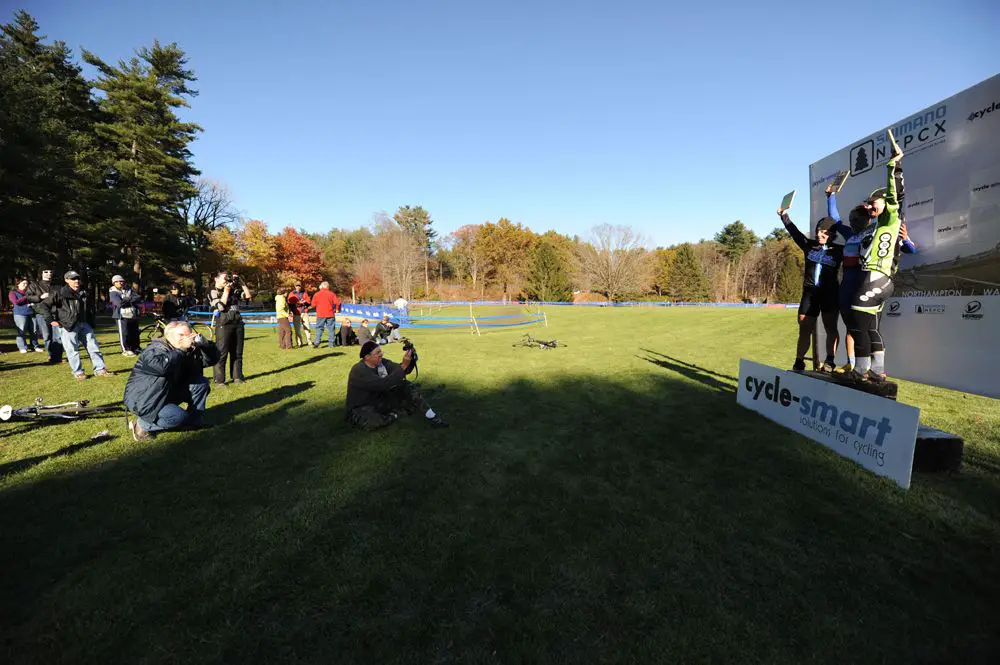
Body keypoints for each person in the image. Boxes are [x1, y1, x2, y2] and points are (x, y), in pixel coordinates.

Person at [846, 150, 906, 384]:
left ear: (884, 203)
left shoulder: (890, 216)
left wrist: (894, 166)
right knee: (870, 326)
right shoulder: (878, 224)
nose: (870, 208)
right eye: (868, 205)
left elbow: (895, 195)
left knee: (858, 321)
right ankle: (877, 371)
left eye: (873, 204)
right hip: (877, 278)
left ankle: (860, 371)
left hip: (878, 278)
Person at [777, 186, 851, 372]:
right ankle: (799, 360)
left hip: (829, 294)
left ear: (832, 234)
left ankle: (830, 360)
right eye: (818, 231)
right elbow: (794, 233)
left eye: (824, 233)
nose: (819, 234)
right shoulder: (809, 245)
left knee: (830, 328)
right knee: (804, 328)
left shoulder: (840, 250)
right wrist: (784, 216)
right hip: (809, 294)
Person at [124, 320, 221, 441]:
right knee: (177, 417)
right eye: (181, 335)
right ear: (169, 337)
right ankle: (141, 425)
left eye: (189, 333)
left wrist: (206, 345)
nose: (188, 338)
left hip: (166, 391)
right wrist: (180, 350)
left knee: (201, 383)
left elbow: (212, 360)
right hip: (145, 398)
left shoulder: (189, 350)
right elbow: (161, 368)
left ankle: (193, 422)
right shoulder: (155, 350)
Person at [346, 340, 448, 429]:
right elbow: (382, 384)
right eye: (378, 352)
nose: (381, 354)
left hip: (380, 400)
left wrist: (411, 360)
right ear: (367, 357)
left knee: (406, 385)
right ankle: (396, 414)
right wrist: (403, 366)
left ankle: (432, 417)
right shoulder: (359, 370)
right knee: (373, 422)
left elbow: (399, 370)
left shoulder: (382, 363)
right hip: (363, 406)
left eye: (381, 351)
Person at [38, 270, 110, 380]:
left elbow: (90, 307)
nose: (76, 280)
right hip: (68, 325)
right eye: (73, 279)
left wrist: (91, 318)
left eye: (77, 278)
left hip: (85, 324)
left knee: (93, 347)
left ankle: (100, 370)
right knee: (72, 350)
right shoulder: (60, 293)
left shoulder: (84, 292)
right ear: (66, 280)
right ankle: (78, 372)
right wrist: (50, 320)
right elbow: (43, 306)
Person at [209, 270, 252, 385]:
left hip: (237, 322)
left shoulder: (233, 290)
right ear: (216, 279)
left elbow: (247, 296)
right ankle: (219, 380)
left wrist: (242, 283)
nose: (227, 281)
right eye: (224, 278)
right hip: (224, 322)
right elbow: (221, 307)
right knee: (222, 352)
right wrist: (226, 291)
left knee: (237, 352)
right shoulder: (213, 291)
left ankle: (237, 377)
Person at [25, 268, 62, 362]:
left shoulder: (57, 285)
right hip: (41, 314)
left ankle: (57, 357)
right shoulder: (34, 285)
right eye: (46, 272)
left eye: (50, 272)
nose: (48, 274)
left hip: (56, 313)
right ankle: (51, 354)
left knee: (57, 336)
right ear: (41, 273)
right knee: (47, 335)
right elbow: (28, 297)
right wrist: (39, 297)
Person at [109, 275, 142, 356]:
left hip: (132, 315)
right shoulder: (113, 292)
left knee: (134, 333)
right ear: (114, 283)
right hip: (121, 316)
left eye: (121, 281)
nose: (120, 283)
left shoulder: (129, 290)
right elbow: (119, 303)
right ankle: (125, 349)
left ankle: (136, 348)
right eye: (117, 281)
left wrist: (128, 299)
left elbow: (138, 297)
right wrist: (130, 299)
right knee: (124, 333)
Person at [9, 278, 43, 353]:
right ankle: (22, 347)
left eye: (27, 283)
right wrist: (26, 297)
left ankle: (35, 346)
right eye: (23, 283)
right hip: (20, 314)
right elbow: (16, 302)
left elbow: (36, 300)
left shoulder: (29, 292)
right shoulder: (13, 293)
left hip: (31, 313)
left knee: (34, 331)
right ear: (18, 284)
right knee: (22, 331)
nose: (25, 285)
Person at [310, 281, 341, 349]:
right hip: (330, 314)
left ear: (322, 286)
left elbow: (313, 305)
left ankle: (317, 342)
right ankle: (331, 343)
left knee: (319, 329)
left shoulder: (317, 294)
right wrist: (337, 309)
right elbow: (338, 303)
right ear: (327, 287)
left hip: (320, 314)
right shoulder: (332, 294)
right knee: (331, 329)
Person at [288, 282, 312, 347]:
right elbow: (290, 303)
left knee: (308, 328)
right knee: (297, 330)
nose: (298, 287)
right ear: (295, 286)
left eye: (299, 286)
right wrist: (298, 303)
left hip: (304, 312)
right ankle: (299, 343)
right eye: (297, 286)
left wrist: (305, 302)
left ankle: (309, 341)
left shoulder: (305, 293)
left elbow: (309, 302)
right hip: (296, 313)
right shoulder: (291, 293)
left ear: (301, 286)